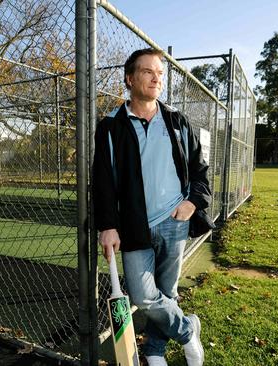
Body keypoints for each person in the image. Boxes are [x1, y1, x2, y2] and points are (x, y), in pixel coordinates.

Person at [92, 48, 210, 366]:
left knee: (167, 292)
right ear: (130, 79)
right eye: (148, 71)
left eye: (160, 72)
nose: (156, 77)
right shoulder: (111, 127)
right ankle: (188, 329)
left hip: (175, 221)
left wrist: (192, 203)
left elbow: (200, 171)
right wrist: (107, 225)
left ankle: (155, 351)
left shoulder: (177, 121)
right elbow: (102, 181)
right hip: (134, 225)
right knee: (145, 296)